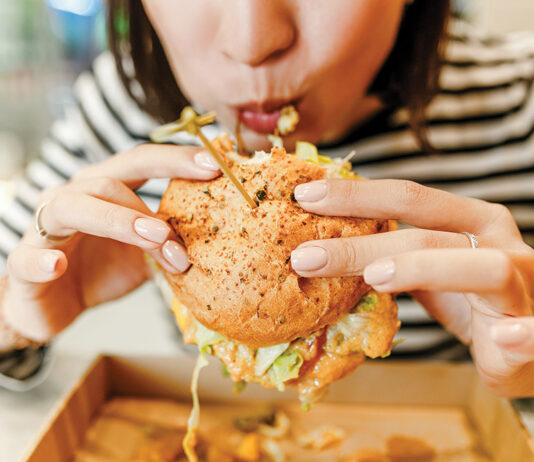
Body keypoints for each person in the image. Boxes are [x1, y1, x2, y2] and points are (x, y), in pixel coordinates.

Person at [0, 0, 533, 396]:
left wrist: (524, 368)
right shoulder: (132, 110)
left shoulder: (522, 108)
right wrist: (15, 321)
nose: (252, 42)